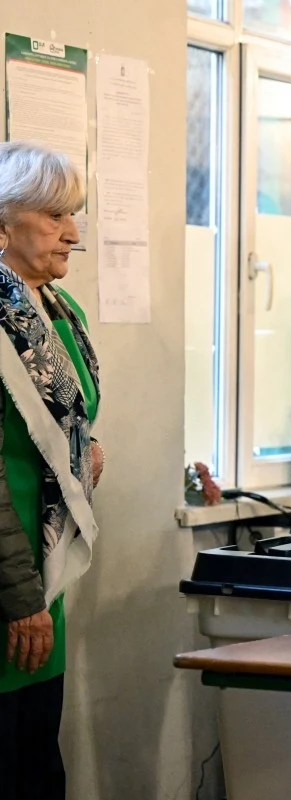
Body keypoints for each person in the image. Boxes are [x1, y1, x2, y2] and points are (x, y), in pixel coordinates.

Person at [0, 141, 103, 799]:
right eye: (54, 216)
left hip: (43, 571)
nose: (73, 233)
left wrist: (87, 453)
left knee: (37, 759)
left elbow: (65, 423)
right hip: (9, 579)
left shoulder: (62, 313)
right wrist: (18, 596)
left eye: (75, 215)